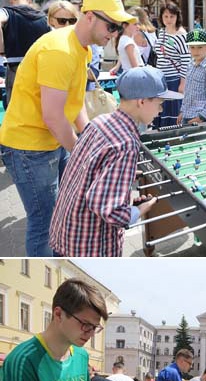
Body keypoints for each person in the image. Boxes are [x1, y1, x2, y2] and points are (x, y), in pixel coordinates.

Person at [0, 0, 136, 256]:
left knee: (62, 207)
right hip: (29, 147)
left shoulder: (82, 48)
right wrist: (83, 152)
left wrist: (90, 140)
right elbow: (53, 116)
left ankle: (62, 255)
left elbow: (74, 105)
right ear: (88, 17)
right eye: (111, 25)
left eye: (118, 27)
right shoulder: (59, 50)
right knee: (43, 222)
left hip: (52, 141)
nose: (113, 33)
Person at [49, 66, 182, 257]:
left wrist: (124, 177)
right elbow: (109, 210)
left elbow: (88, 167)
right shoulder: (126, 143)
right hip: (90, 244)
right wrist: (138, 210)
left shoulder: (100, 121)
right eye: (160, 103)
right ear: (142, 101)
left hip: (66, 231)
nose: (161, 110)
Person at [0, 0, 49, 108]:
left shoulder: (7, 12)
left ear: (11, 1)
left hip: (16, 68)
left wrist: (1, 49)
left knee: (15, 109)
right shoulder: (44, 18)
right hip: (41, 70)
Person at [154, 1, 190, 127]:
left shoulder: (181, 34)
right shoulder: (162, 31)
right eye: (166, 16)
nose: (168, 19)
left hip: (174, 79)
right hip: (161, 78)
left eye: (172, 16)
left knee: (172, 111)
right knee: (160, 109)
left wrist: (183, 83)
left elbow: (186, 60)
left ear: (177, 17)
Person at [177, 29, 206, 125]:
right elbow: (187, 92)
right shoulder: (190, 64)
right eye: (192, 47)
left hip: (198, 116)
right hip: (186, 114)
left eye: (200, 47)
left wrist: (201, 117)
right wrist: (182, 111)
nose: (195, 51)